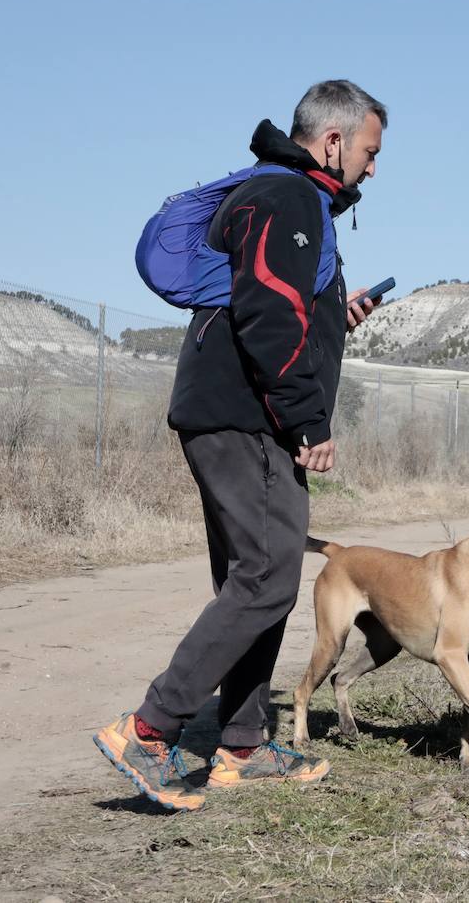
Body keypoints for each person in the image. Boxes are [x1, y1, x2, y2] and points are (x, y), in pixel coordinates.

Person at [93, 80, 388, 811]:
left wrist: (331, 315)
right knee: (265, 579)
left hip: (234, 413)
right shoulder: (289, 199)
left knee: (258, 580)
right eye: (369, 151)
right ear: (332, 142)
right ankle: (149, 730)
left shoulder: (279, 199)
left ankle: (244, 743)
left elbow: (271, 303)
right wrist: (308, 420)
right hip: (247, 418)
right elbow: (265, 314)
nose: (372, 168)